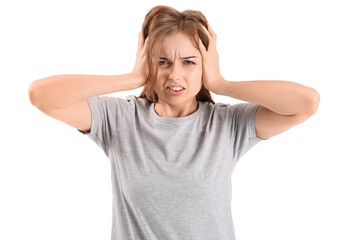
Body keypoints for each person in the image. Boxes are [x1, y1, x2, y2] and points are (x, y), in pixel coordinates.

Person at [28, 5, 320, 240]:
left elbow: (306, 103)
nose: (174, 74)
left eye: (189, 62)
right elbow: (41, 95)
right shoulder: (119, 119)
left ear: (205, 64)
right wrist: (132, 78)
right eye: (163, 61)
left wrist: (220, 82)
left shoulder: (227, 124)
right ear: (148, 63)